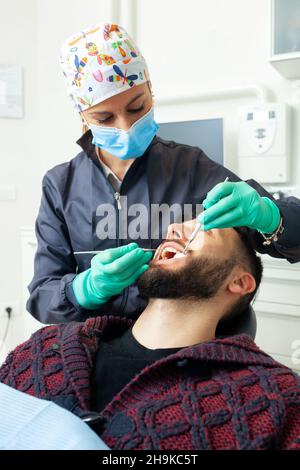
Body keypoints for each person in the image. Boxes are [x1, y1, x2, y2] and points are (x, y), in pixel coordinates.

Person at [27, 21, 300, 325]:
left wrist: (271, 217)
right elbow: (42, 296)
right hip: (96, 347)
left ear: (151, 92)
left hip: (181, 343)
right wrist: (82, 289)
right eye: (104, 117)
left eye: (136, 107)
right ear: (82, 115)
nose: (125, 127)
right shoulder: (60, 186)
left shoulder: (190, 168)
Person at [2, 220, 300, 450]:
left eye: (205, 230)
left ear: (238, 282)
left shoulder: (274, 396)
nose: (173, 228)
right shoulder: (44, 348)